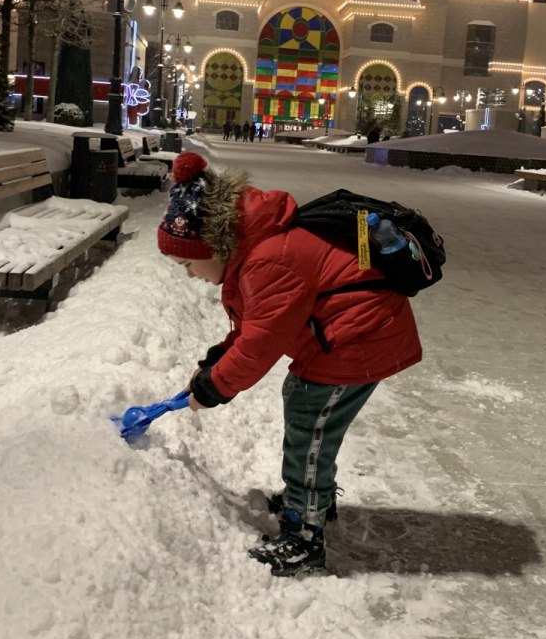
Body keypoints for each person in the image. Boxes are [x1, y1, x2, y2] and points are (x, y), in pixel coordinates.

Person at [156, 152, 422, 578]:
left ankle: (304, 534)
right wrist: (216, 360)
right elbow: (255, 324)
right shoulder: (255, 247)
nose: (189, 274)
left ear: (212, 246)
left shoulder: (268, 259)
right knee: (310, 413)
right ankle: (311, 497)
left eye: (188, 263)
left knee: (308, 419)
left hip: (358, 340)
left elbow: (260, 345)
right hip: (349, 335)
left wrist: (212, 389)